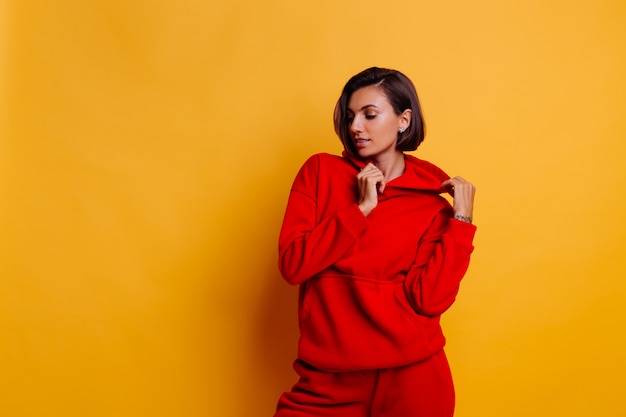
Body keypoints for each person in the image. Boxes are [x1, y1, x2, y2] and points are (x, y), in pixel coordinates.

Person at [273, 67, 476, 417]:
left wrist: (461, 222)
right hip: (328, 377)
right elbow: (293, 264)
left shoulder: (431, 206)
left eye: (369, 115)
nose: (355, 127)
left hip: (412, 376)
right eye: (351, 116)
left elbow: (430, 300)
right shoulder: (320, 172)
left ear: (403, 120)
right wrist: (360, 209)